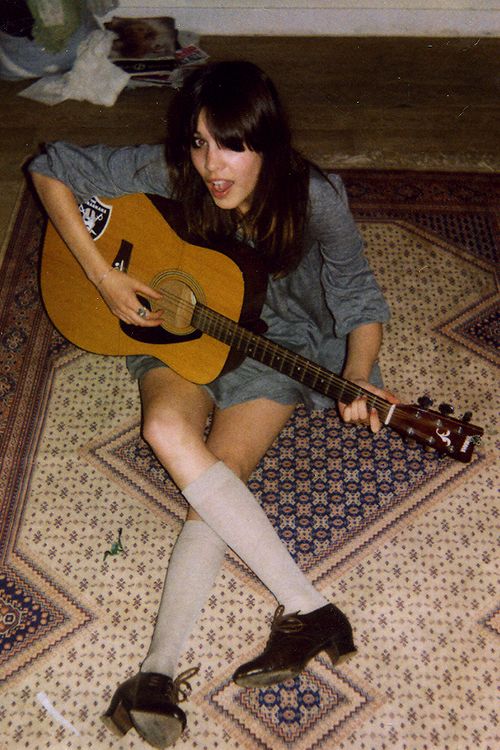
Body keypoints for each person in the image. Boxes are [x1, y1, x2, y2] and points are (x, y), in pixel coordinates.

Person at [29, 60, 397, 749]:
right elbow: (51, 166)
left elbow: (359, 295)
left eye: (231, 145)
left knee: (215, 481)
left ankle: (155, 674)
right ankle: (310, 609)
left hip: (277, 339)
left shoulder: (315, 198)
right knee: (166, 426)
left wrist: (360, 371)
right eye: (198, 143)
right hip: (182, 332)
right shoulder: (179, 174)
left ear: (268, 142)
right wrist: (102, 275)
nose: (211, 165)